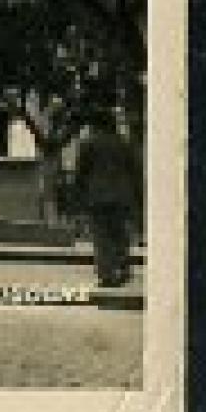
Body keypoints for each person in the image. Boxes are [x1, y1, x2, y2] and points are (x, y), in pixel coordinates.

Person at [72, 112, 143, 287]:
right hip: (122, 197)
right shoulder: (124, 144)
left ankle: (107, 274)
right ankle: (123, 268)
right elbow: (135, 173)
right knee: (120, 234)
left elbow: (81, 173)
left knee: (102, 236)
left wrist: (78, 197)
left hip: (97, 197)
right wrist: (138, 198)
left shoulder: (88, 144)